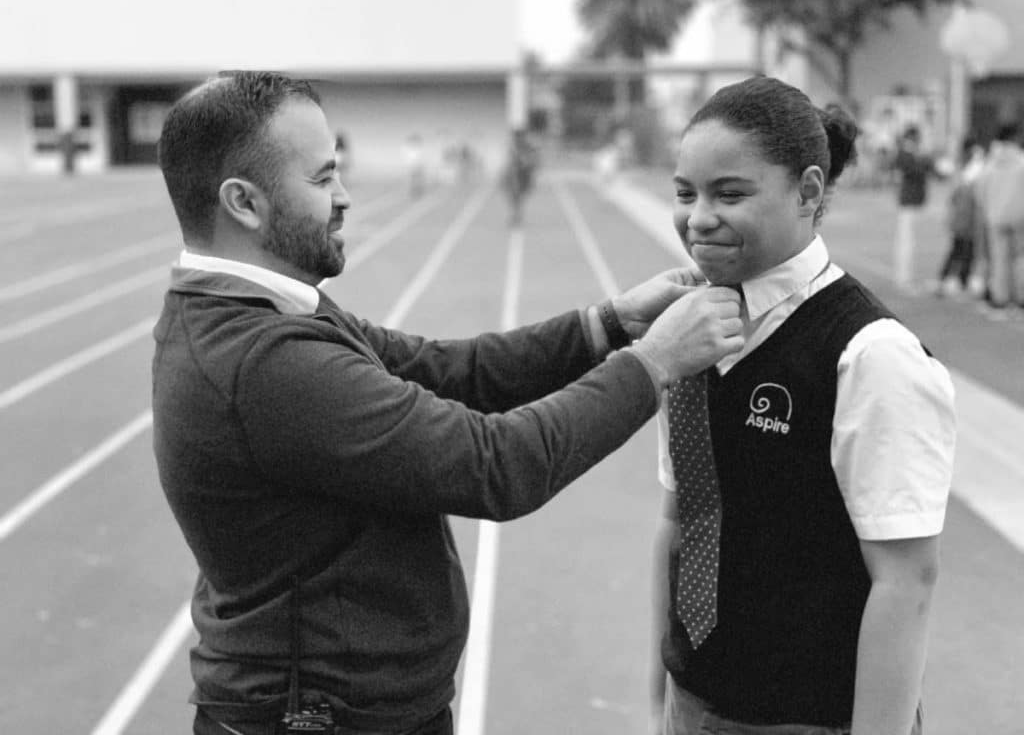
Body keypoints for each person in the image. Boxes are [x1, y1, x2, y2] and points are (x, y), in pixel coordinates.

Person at [153, 71, 744, 735]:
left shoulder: (268, 314)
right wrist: (654, 363)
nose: (345, 197)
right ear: (244, 203)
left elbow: (445, 369)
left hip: (334, 706)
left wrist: (606, 324)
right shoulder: (263, 361)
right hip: (321, 718)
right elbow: (497, 465)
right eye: (322, 180)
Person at [649, 76, 956, 735]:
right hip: (695, 701)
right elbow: (682, 518)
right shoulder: (688, 332)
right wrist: (666, 682)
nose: (698, 217)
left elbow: (906, 583)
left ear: (810, 191)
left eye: (729, 193)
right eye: (684, 192)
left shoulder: (872, 357)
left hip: (811, 717)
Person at [973, 122, 1024, 319]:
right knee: (1020, 259)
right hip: (1020, 216)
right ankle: (1020, 298)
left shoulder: (991, 163)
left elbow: (980, 191)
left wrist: (988, 209)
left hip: (996, 216)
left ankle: (1000, 299)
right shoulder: (1020, 161)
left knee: (999, 259)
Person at [891, 125, 941, 289]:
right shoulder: (905, 154)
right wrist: (925, 160)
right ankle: (904, 277)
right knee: (907, 242)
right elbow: (916, 170)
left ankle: (907, 276)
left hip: (914, 201)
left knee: (910, 241)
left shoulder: (911, 154)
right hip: (909, 202)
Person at [935, 137, 985, 298]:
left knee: (965, 249)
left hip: (965, 215)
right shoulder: (966, 169)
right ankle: (948, 279)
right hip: (963, 216)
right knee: (960, 248)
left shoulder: (966, 167)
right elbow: (958, 194)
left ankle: (960, 280)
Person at [501, 127, 539, 226]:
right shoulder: (513, 147)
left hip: (523, 176)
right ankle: (515, 216)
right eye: (515, 137)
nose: (516, 139)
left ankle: (517, 216)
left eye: (518, 137)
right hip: (514, 176)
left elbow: (534, 161)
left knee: (519, 197)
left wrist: (525, 163)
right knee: (514, 197)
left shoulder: (528, 147)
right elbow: (509, 163)